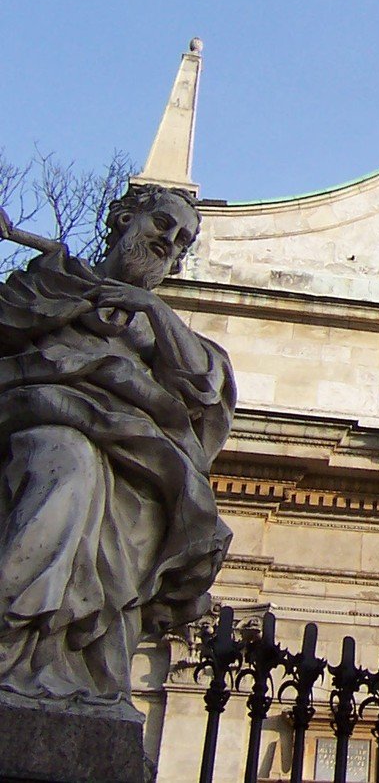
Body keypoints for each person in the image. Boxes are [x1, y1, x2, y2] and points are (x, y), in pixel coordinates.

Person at [0, 184, 234, 720]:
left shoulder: (157, 327)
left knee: (131, 528)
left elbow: (202, 388)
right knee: (69, 468)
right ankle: (12, 636)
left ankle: (73, 668)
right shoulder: (55, 282)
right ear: (126, 219)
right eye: (161, 226)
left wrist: (150, 308)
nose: (168, 243)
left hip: (135, 463)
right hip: (43, 420)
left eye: (180, 242)